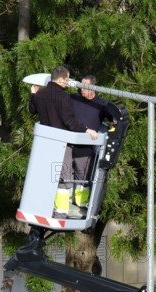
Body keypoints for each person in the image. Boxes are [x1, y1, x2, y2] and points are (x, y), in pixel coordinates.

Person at [29, 66, 98, 219]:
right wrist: (86, 130)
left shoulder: (40, 95)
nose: (68, 83)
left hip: (45, 143)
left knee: (49, 176)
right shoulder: (64, 97)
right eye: (67, 79)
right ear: (61, 80)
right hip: (62, 143)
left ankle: (49, 206)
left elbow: (32, 110)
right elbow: (69, 121)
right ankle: (62, 211)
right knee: (64, 178)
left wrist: (32, 95)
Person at [70, 75, 114, 210]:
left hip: (86, 147)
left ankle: (81, 205)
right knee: (61, 177)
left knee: (83, 177)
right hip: (67, 144)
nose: (81, 89)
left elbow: (114, 120)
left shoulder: (102, 104)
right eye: (80, 85)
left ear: (93, 88)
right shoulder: (73, 98)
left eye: (85, 86)